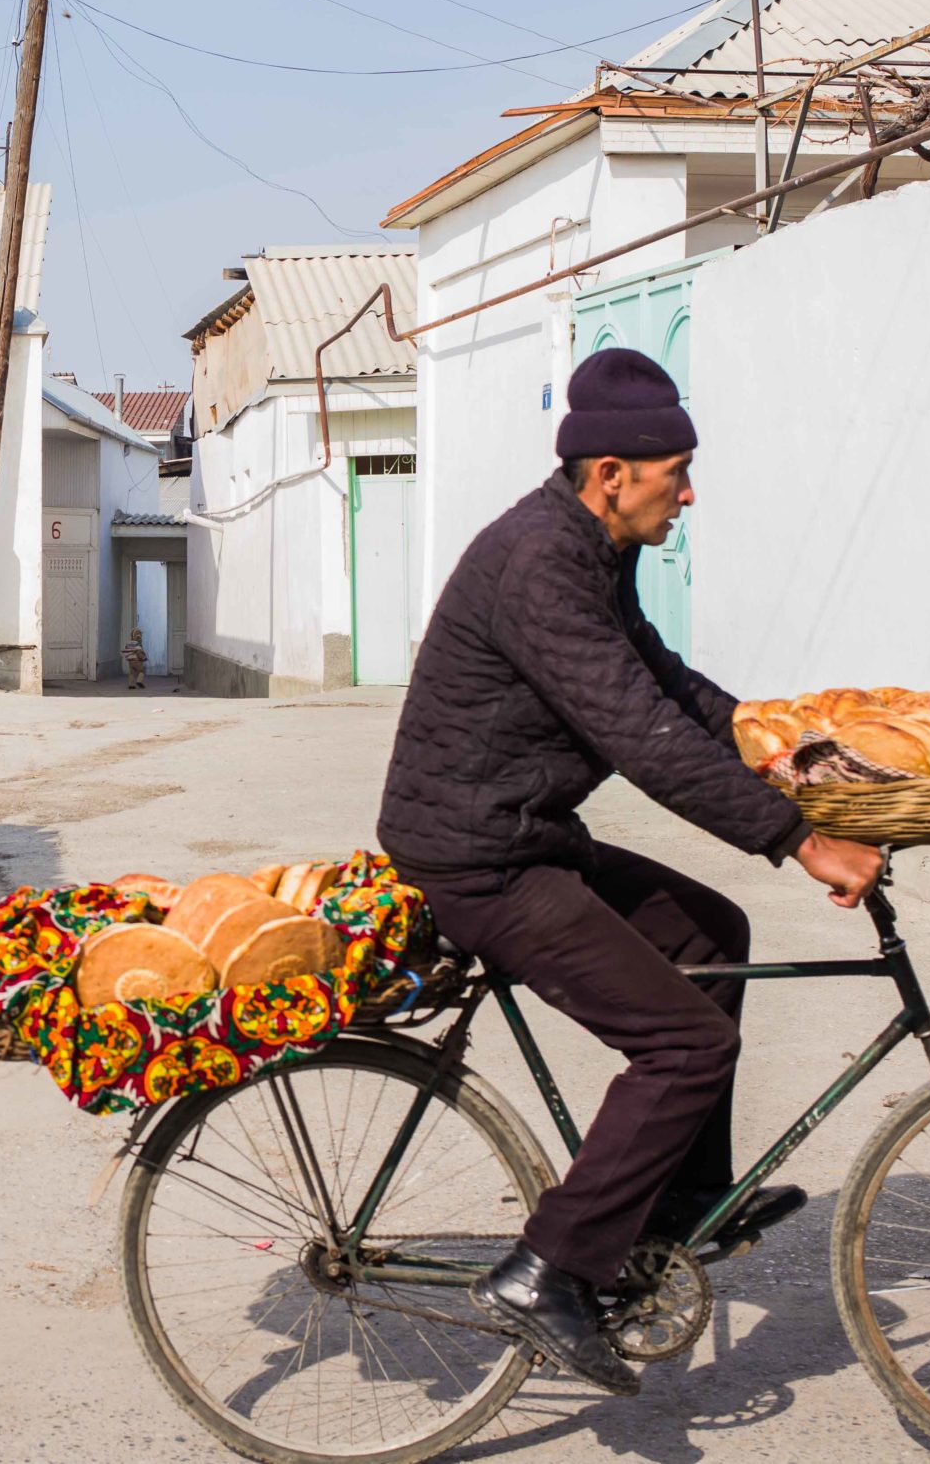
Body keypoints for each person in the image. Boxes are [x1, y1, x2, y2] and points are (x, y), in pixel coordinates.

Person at [374, 347, 882, 1397]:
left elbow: (656, 676)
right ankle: (547, 1272)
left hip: (524, 830)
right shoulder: (537, 563)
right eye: (675, 473)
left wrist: (760, 742)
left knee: (714, 939)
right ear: (610, 473)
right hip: (478, 854)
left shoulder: (589, 546)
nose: (688, 493)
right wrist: (796, 840)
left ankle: (684, 1207)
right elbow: (637, 733)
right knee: (682, 1046)